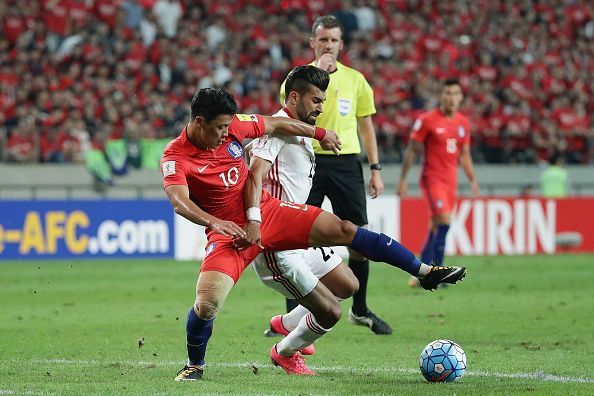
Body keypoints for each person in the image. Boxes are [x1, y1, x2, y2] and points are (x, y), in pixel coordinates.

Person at [162, 87, 467, 381]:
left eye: (228, 126)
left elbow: (278, 123)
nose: (225, 134)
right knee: (207, 303)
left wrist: (321, 134)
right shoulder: (175, 156)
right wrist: (214, 223)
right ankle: (194, 365)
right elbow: (179, 201)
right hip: (230, 233)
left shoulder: (235, 127)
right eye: (219, 128)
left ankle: (424, 270)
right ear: (199, 122)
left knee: (347, 229)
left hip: (268, 212)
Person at [278, 15, 391, 335]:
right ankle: (291, 319)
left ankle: (361, 309)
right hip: (306, 160)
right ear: (312, 42)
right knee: (294, 239)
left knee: (357, 237)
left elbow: (366, 125)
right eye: (323, 40)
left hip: (345, 163)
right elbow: (285, 116)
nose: (328, 45)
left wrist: (375, 168)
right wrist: (319, 76)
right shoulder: (297, 79)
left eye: (333, 41)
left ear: (341, 45)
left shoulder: (356, 80)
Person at [247, 65, 359, 374]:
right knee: (331, 313)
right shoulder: (278, 127)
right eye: (315, 100)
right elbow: (254, 174)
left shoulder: (299, 128)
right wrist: (254, 219)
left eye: (323, 101)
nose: (321, 108)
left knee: (348, 284)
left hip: (299, 233)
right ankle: (284, 351)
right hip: (278, 241)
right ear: (294, 97)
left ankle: (285, 323)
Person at [397, 78, 479, 287]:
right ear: (441, 96)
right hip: (432, 179)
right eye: (447, 93)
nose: (451, 98)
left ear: (461, 97)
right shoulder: (427, 119)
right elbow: (412, 150)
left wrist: (472, 179)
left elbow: (465, 154)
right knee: (444, 222)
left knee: (435, 226)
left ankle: (420, 273)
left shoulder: (463, 123)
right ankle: (439, 274)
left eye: (455, 94)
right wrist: (403, 180)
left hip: (450, 181)